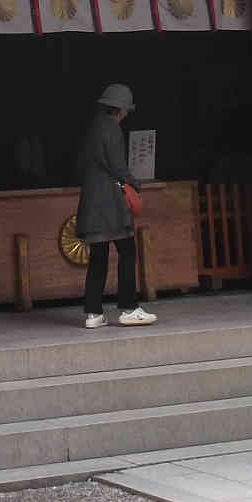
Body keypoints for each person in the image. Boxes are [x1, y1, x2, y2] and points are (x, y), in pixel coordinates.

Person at [75, 83, 155, 329]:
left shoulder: (92, 128)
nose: (126, 114)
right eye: (126, 110)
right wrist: (134, 184)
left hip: (91, 202)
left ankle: (93, 314)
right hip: (111, 203)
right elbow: (118, 167)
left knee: (98, 257)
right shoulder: (111, 129)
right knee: (127, 252)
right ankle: (129, 308)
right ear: (120, 109)